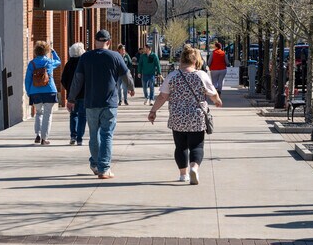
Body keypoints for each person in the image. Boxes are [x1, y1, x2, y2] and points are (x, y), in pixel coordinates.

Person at [148, 45, 222, 185]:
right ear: (195, 61)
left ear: (181, 60)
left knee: (180, 146)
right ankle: (194, 168)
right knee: (197, 146)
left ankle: (183, 174)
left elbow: (162, 96)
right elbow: (212, 93)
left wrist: (153, 111)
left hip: (178, 116)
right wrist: (217, 101)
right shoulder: (201, 75)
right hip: (196, 116)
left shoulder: (173, 76)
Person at [67, 29, 135, 179]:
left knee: (94, 134)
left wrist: (71, 99)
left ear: (95, 42)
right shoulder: (116, 56)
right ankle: (104, 168)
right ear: (109, 42)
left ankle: (95, 163)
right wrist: (130, 88)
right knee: (106, 135)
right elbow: (126, 75)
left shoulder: (85, 57)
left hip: (90, 102)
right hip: (109, 103)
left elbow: (77, 80)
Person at [25, 41, 61, 145]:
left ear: (35, 51)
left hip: (35, 91)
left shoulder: (32, 64)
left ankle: (38, 134)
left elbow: (27, 79)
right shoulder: (49, 62)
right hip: (49, 91)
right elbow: (58, 61)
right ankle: (44, 139)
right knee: (47, 114)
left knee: (38, 113)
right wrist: (53, 52)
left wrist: (28, 91)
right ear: (46, 51)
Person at [61, 42, 87, 145]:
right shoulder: (84, 64)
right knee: (82, 116)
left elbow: (63, 80)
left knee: (73, 115)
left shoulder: (68, 64)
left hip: (72, 95)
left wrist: (69, 89)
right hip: (84, 94)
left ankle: (73, 136)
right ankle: (80, 138)